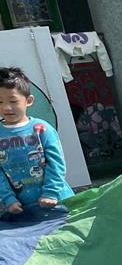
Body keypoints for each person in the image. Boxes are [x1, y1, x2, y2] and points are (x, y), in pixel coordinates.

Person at [0, 66, 74, 217]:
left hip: (58, 202)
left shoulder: (42, 129)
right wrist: (8, 199)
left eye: (13, 101)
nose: (6, 107)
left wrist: (51, 193)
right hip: (22, 209)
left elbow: (56, 163)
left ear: (29, 101)